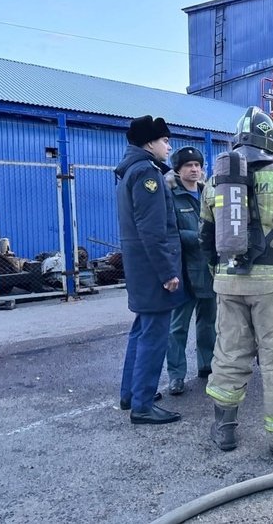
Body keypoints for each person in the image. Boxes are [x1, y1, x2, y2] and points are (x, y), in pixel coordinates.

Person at [198, 106, 273, 456]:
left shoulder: (214, 181)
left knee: (229, 355)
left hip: (227, 282)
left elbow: (204, 237)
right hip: (271, 286)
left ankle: (224, 431)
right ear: (271, 141)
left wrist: (217, 276)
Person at [115, 115, 186, 425]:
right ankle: (143, 404)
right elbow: (153, 230)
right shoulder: (147, 174)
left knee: (140, 331)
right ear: (149, 142)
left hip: (139, 267)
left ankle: (131, 394)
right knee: (154, 336)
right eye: (165, 140)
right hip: (152, 268)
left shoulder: (130, 170)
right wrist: (168, 273)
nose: (168, 146)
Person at [164, 146, 217, 396]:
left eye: (197, 165)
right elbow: (169, 232)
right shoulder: (171, 196)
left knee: (208, 323)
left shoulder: (209, 193)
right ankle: (176, 375)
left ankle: (207, 366)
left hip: (208, 269)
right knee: (178, 327)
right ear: (178, 169)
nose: (194, 169)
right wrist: (201, 237)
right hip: (184, 271)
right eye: (188, 165)